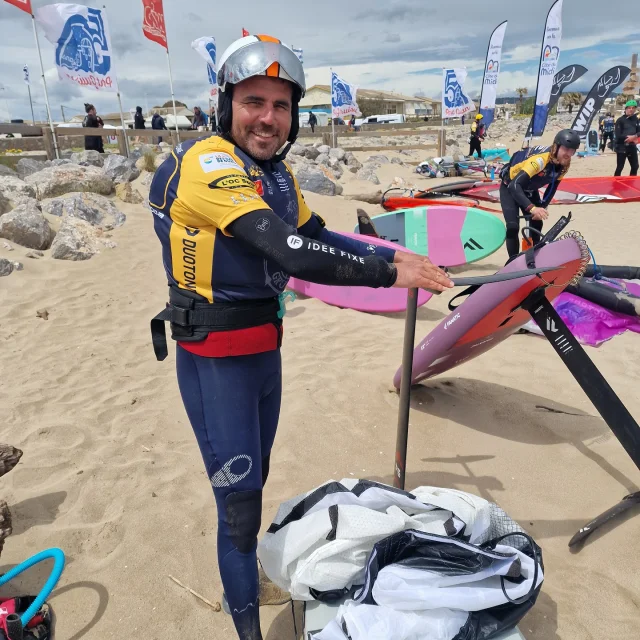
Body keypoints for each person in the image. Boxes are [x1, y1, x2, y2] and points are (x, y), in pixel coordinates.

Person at [148, 34, 453, 640]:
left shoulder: (276, 174)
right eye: (254, 101)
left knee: (255, 486)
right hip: (217, 363)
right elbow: (289, 251)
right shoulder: (206, 166)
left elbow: (324, 236)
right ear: (226, 102)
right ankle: (246, 629)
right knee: (237, 508)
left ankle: (249, 578)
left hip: (265, 355)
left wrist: (396, 252)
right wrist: (390, 273)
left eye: (281, 105)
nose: (268, 117)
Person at [499, 129, 580, 258]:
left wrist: (541, 207)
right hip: (510, 187)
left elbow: (552, 188)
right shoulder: (540, 160)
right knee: (513, 227)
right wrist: (532, 208)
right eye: (566, 149)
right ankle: (513, 261)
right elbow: (515, 185)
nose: (568, 154)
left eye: (572, 151)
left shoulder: (565, 163)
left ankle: (535, 258)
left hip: (529, 189)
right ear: (556, 146)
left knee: (537, 223)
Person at [614, 100, 640, 176]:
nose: (631, 109)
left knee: (635, 166)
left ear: (635, 109)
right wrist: (629, 138)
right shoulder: (620, 120)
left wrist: (634, 137)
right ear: (626, 109)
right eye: (629, 108)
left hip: (632, 146)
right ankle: (616, 185)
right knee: (620, 167)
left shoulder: (636, 120)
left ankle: (630, 184)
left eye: (633, 108)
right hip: (622, 147)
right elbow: (618, 136)